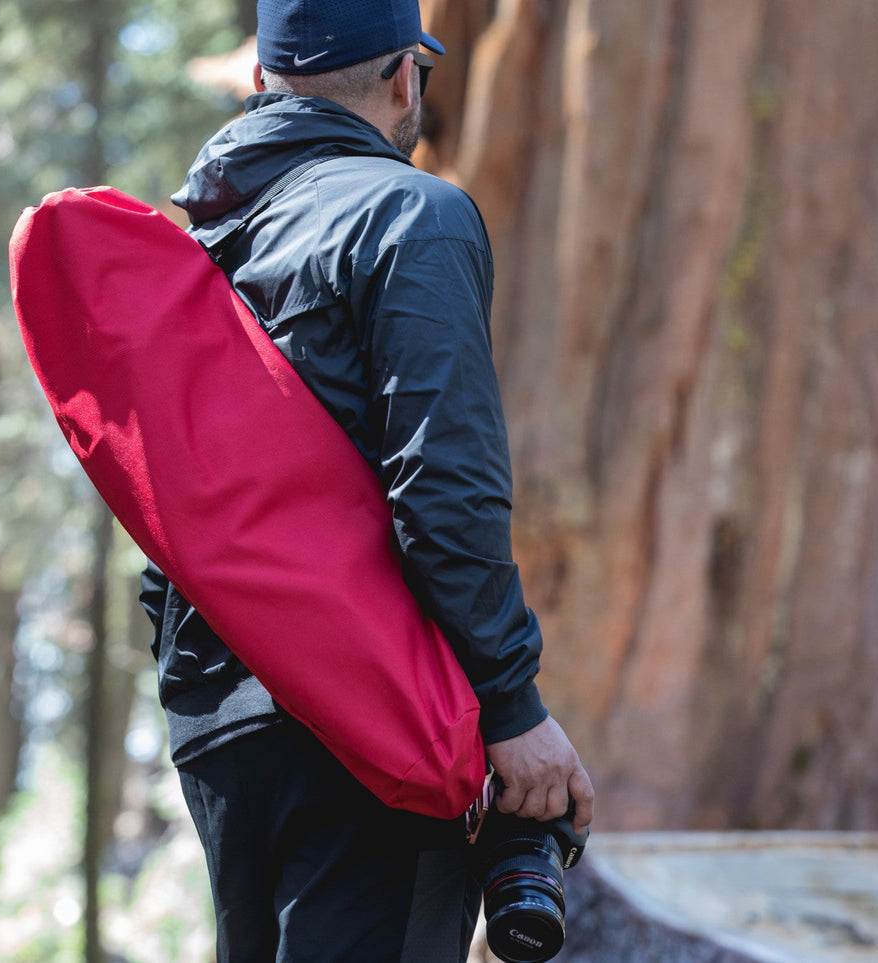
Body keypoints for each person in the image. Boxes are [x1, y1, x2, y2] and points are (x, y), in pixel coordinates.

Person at [138, 1, 595, 959]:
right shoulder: (411, 212)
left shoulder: (204, 249)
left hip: (217, 718)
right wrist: (510, 709)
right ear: (402, 77)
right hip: (367, 715)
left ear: (261, 84)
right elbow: (445, 485)